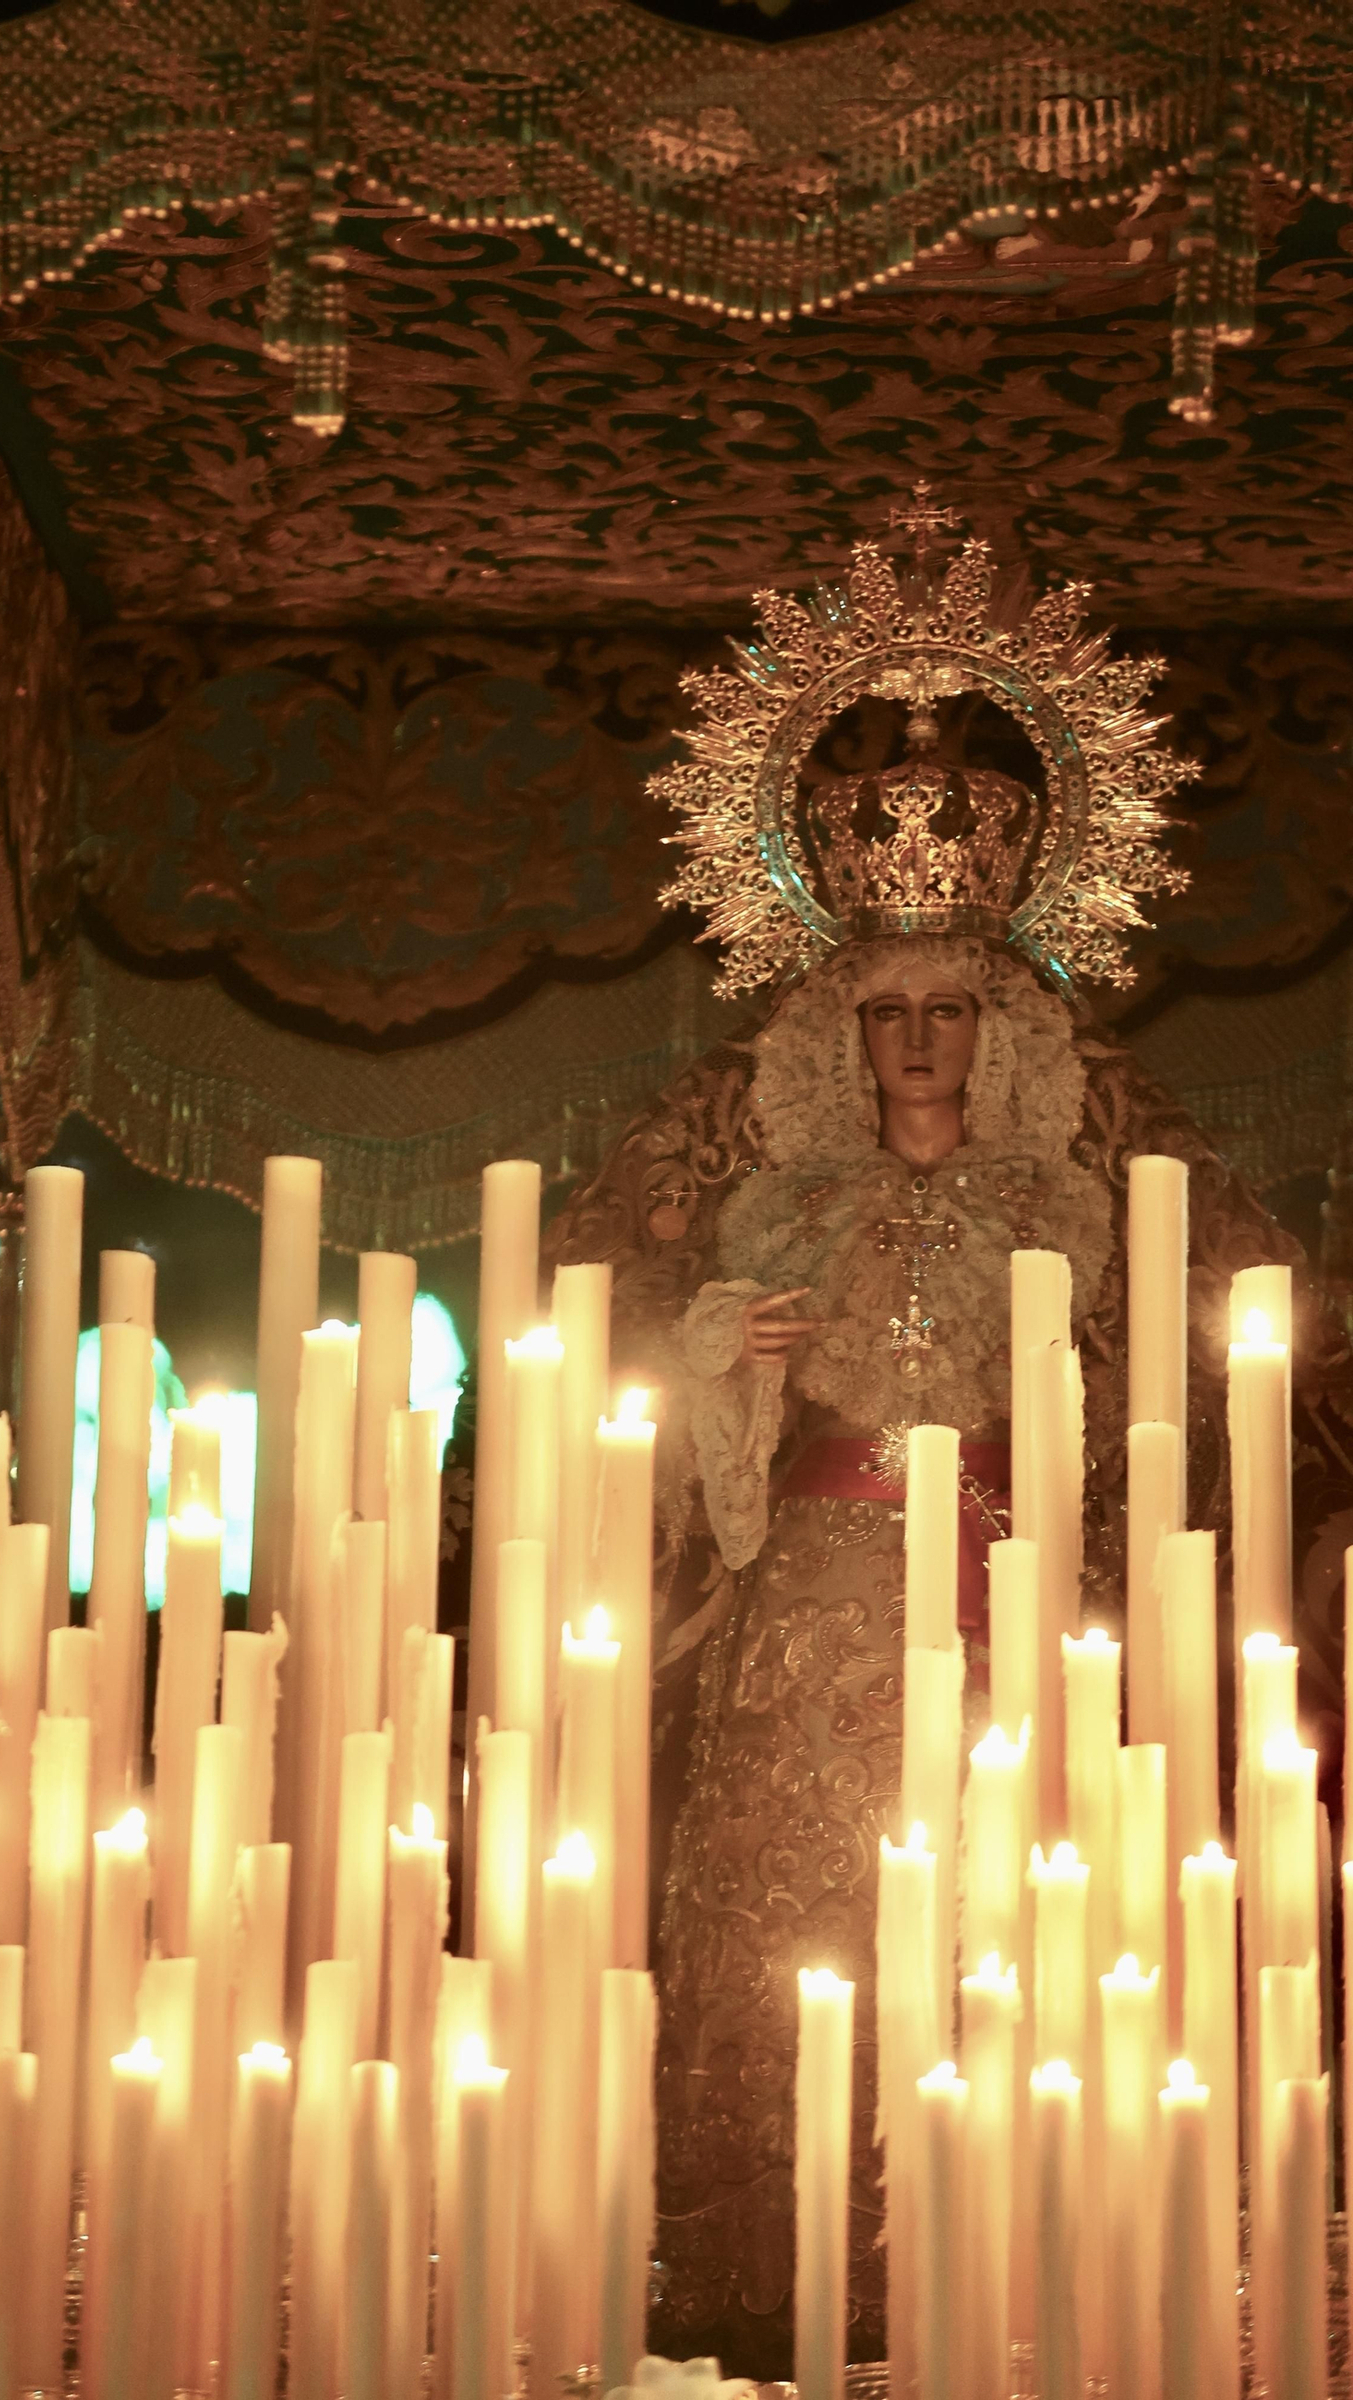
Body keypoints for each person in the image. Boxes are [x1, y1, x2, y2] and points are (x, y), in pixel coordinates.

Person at [543, 504, 1307, 2376]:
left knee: (996, 1916)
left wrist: (1114, 1401)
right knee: (780, 1926)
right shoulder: (764, 1195)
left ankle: (995, 2274)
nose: (922, 1050)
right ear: (839, 1027)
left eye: (956, 1015)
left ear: (1006, 1028)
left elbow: (1233, 1339)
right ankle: (759, 2278)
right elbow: (596, 1344)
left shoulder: (1076, 1194)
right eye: (888, 1019)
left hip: (1006, 1589)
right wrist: (717, 1360)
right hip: (801, 1609)